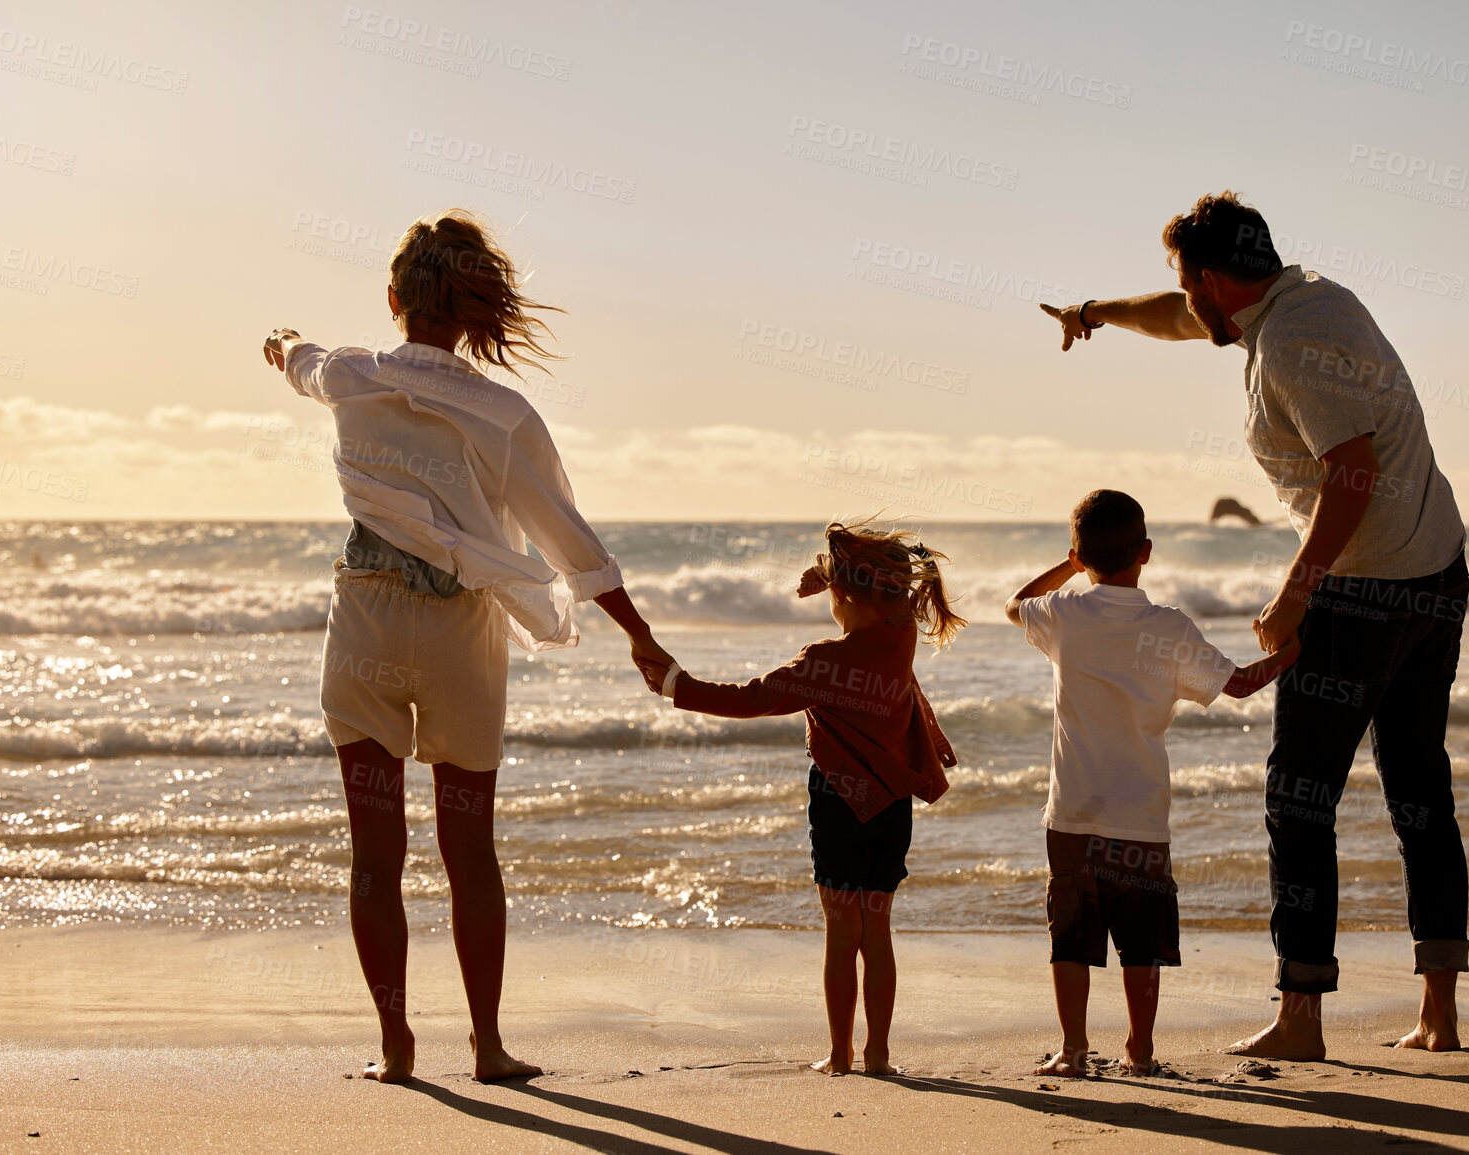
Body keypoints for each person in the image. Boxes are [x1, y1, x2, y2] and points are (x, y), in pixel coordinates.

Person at [1040, 192, 1469, 1060]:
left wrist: (1294, 595)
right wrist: (1094, 314)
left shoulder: (1287, 347)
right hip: (1437, 568)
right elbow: (1177, 315)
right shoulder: (1309, 294)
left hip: (1362, 589)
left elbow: (1350, 473)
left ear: (1210, 279)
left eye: (1183, 280)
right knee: (1418, 786)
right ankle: (1438, 1011)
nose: (1182, 298)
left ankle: (1301, 1015)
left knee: (1298, 795)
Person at [260, 209, 673, 1083]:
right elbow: (572, 543)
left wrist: (283, 338)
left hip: (365, 615)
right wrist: (638, 635)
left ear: (392, 299)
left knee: (374, 855)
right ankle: (486, 1046)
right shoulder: (505, 413)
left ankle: (396, 1045)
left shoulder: (348, 373)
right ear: (473, 310)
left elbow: (297, 359)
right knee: (468, 849)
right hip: (460, 634)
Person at [647, 521, 962, 1076]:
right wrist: (833, 574)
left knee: (842, 931)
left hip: (840, 800)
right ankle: (879, 1054)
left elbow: (750, 700)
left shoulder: (824, 662)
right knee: (877, 929)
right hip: (892, 801)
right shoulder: (901, 636)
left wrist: (675, 684)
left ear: (843, 595)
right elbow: (892, 596)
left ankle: (840, 1055)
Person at [1006, 489, 1300, 1077]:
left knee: (1071, 938)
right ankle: (1139, 1050)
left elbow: (1018, 603)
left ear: (1081, 555)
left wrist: (1070, 564)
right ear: (1146, 551)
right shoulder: (1168, 627)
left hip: (1072, 814)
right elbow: (1238, 684)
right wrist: (1291, 651)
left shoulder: (1065, 614)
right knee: (1141, 942)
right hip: (1141, 815)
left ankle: (1072, 1050)